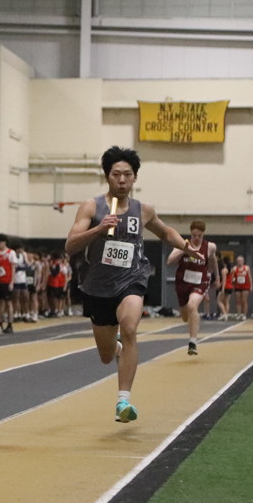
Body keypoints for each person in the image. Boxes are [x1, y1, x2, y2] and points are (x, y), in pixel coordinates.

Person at [64, 146, 198, 423]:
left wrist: (185, 246)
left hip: (131, 280)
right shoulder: (92, 207)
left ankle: (123, 401)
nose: (122, 180)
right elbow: (70, 245)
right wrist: (99, 228)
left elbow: (165, 231)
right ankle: (116, 350)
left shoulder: (143, 210)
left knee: (129, 328)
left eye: (127, 174)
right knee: (105, 355)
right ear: (107, 177)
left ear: (135, 177)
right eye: (116, 174)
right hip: (97, 287)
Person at [167, 220, 218, 355]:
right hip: (183, 283)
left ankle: (193, 342)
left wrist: (217, 277)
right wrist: (184, 250)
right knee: (185, 316)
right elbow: (169, 261)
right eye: (194, 235)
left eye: (199, 236)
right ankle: (191, 323)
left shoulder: (210, 247)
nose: (196, 238)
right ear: (190, 233)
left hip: (200, 281)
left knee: (192, 305)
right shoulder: (183, 244)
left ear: (203, 234)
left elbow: (213, 260)